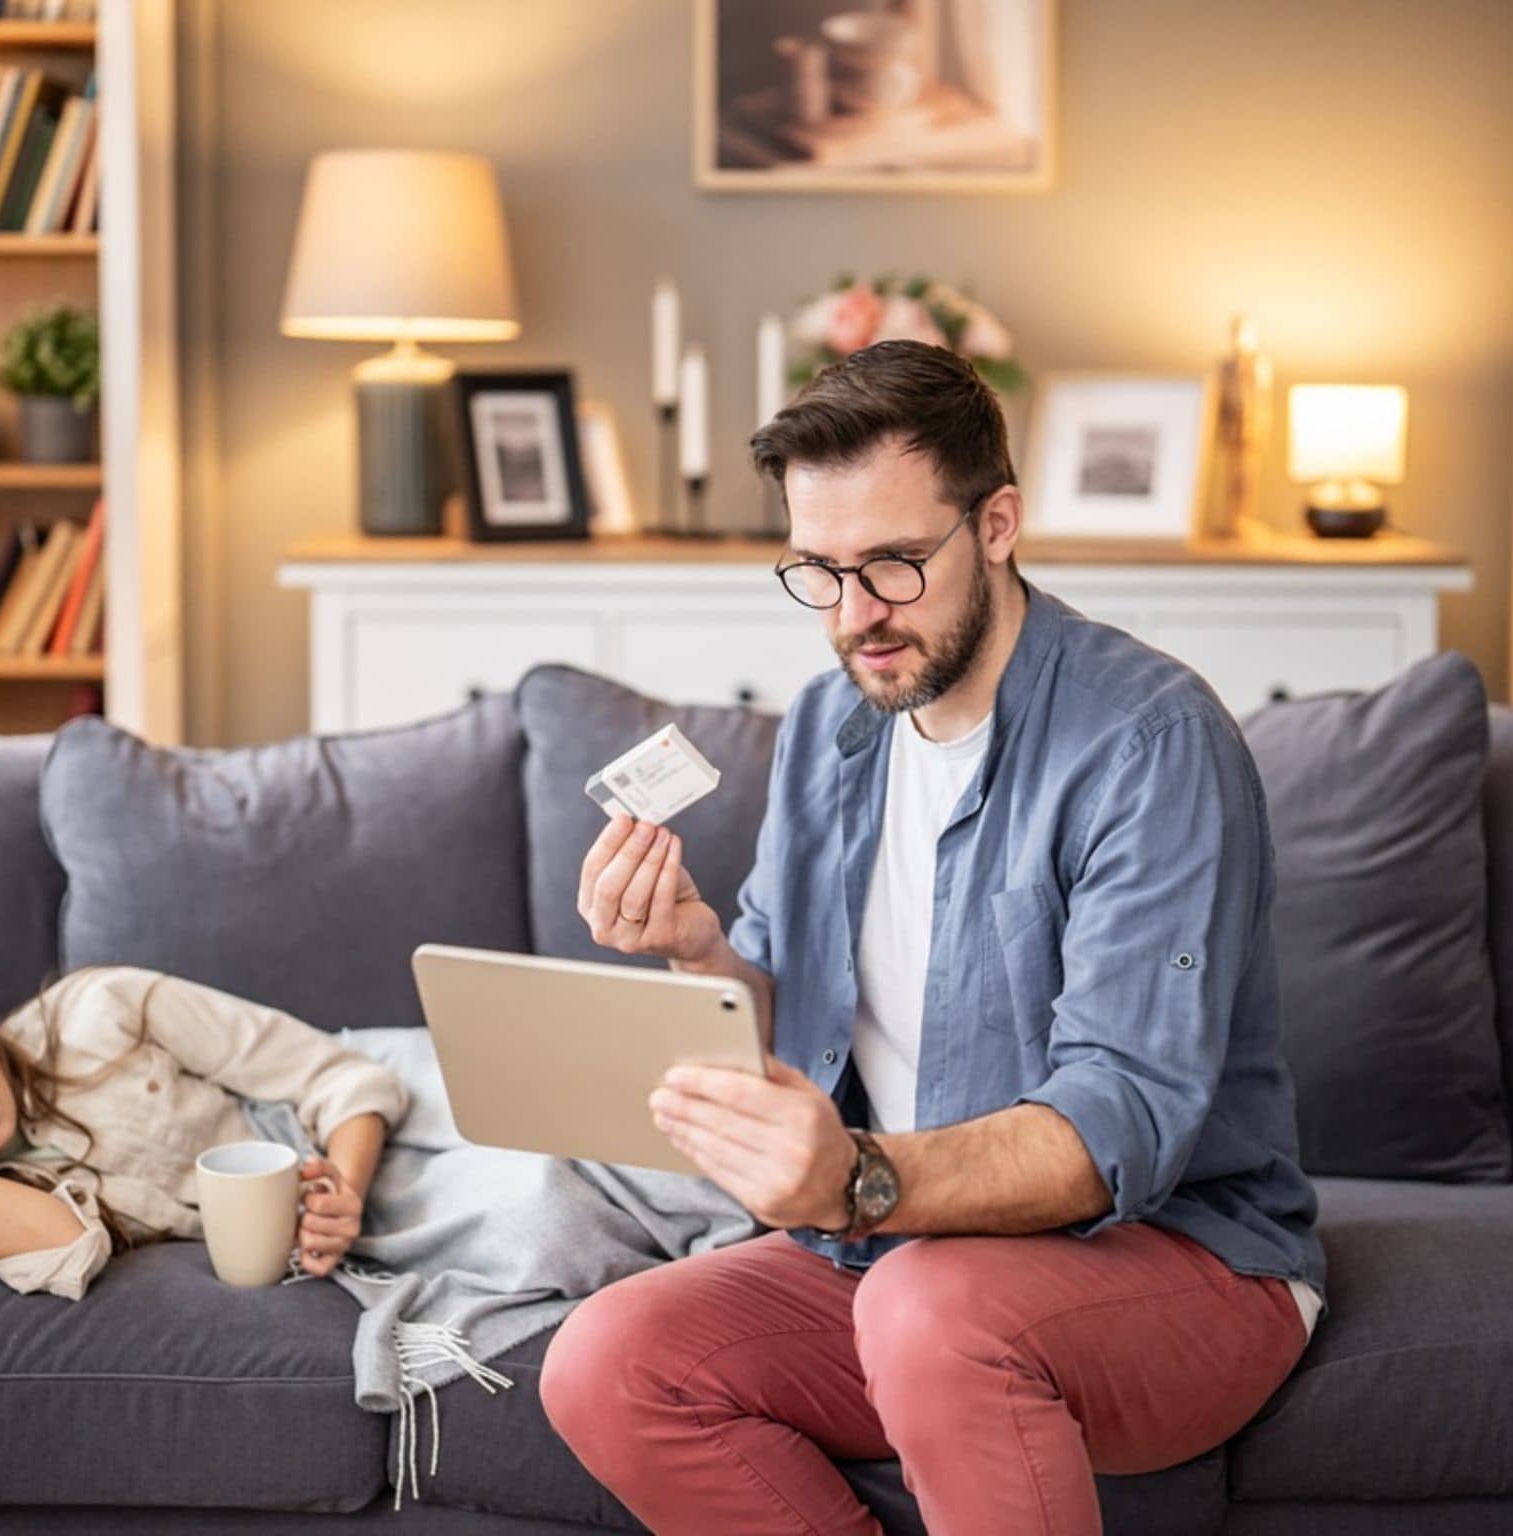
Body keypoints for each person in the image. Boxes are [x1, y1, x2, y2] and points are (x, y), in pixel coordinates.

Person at [540, 339, 1326, 1536]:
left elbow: (1118, 1121)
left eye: (894, 565)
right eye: (817, 571)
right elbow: (785, 1024)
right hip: (892, 1247)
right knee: (604, 1358)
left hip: (1182, 1258)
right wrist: (693, 950)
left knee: (928, 1308)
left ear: (997, 523)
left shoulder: (1148, 744)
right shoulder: (825, 724)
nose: (855, 617)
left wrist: (853, 1181)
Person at [0, 951, 404, 1299]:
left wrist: (345, 1189)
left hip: (362, 1142)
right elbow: (64, 1245)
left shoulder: (103, 1008)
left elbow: (340, 1076)